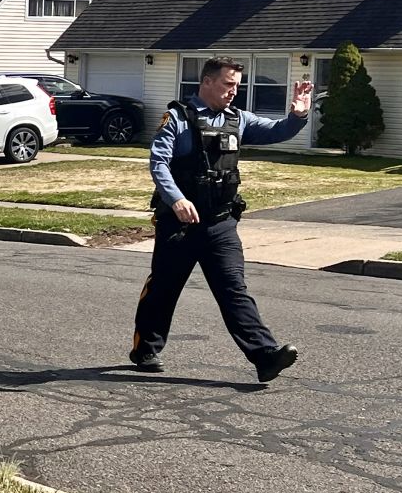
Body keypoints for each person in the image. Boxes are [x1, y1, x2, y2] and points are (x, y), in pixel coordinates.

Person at [130, 56, 313, 383]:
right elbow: (158, 164)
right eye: (228, 84)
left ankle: (264, 356)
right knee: (164, 288)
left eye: (237, 86)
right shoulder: (177, 118)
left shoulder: (237, 119)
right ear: (207, 82)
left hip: (220, 223)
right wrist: (177, 200)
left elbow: (277, 131)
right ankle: (146, 348)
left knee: (233, 289)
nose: (233, 92)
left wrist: (298, 113)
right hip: (181, 225)